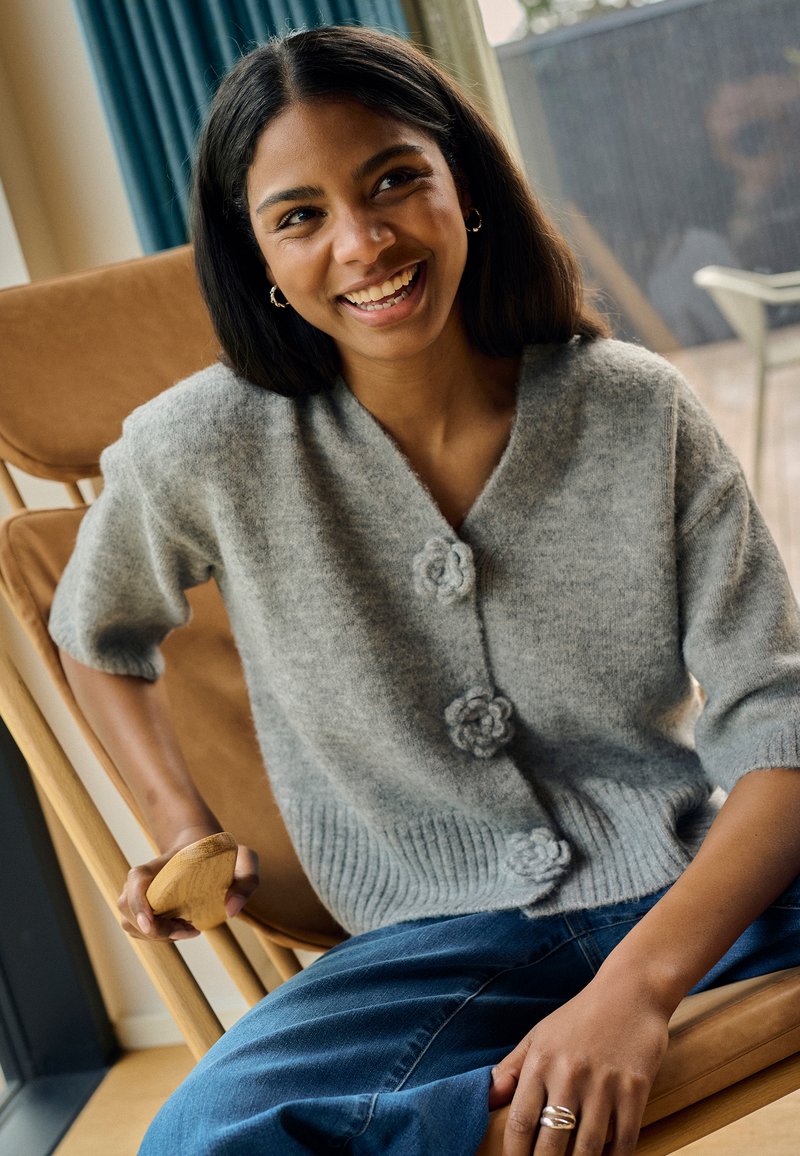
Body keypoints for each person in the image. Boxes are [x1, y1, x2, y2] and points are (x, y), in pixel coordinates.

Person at [49, 24, 800, 1156]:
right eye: (298, 215)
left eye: (395, 180)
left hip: (705, 889)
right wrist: (176, 823)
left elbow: (775, 726)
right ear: (253, 252)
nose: (362, 243)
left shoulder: (633, 411)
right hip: (429, 942)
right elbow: (93, 629)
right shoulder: (206, 445)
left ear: (464, 185)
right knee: (198, 1137)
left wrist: (633, 990)